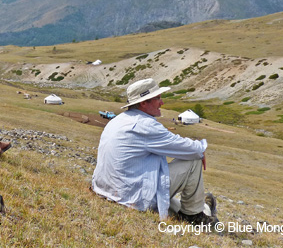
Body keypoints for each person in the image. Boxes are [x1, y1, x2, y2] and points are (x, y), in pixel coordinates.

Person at [91, 78, 218, 224]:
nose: (162, 102)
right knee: (194, 160)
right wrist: (200, 150)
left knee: (171, 201)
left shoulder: (119, 120)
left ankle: (202, 207)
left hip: (107, 189)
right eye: (157, 98)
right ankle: (193, 216)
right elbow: (186, 148)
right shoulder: (145, 125)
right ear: (144, 103)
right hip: (132, 197)